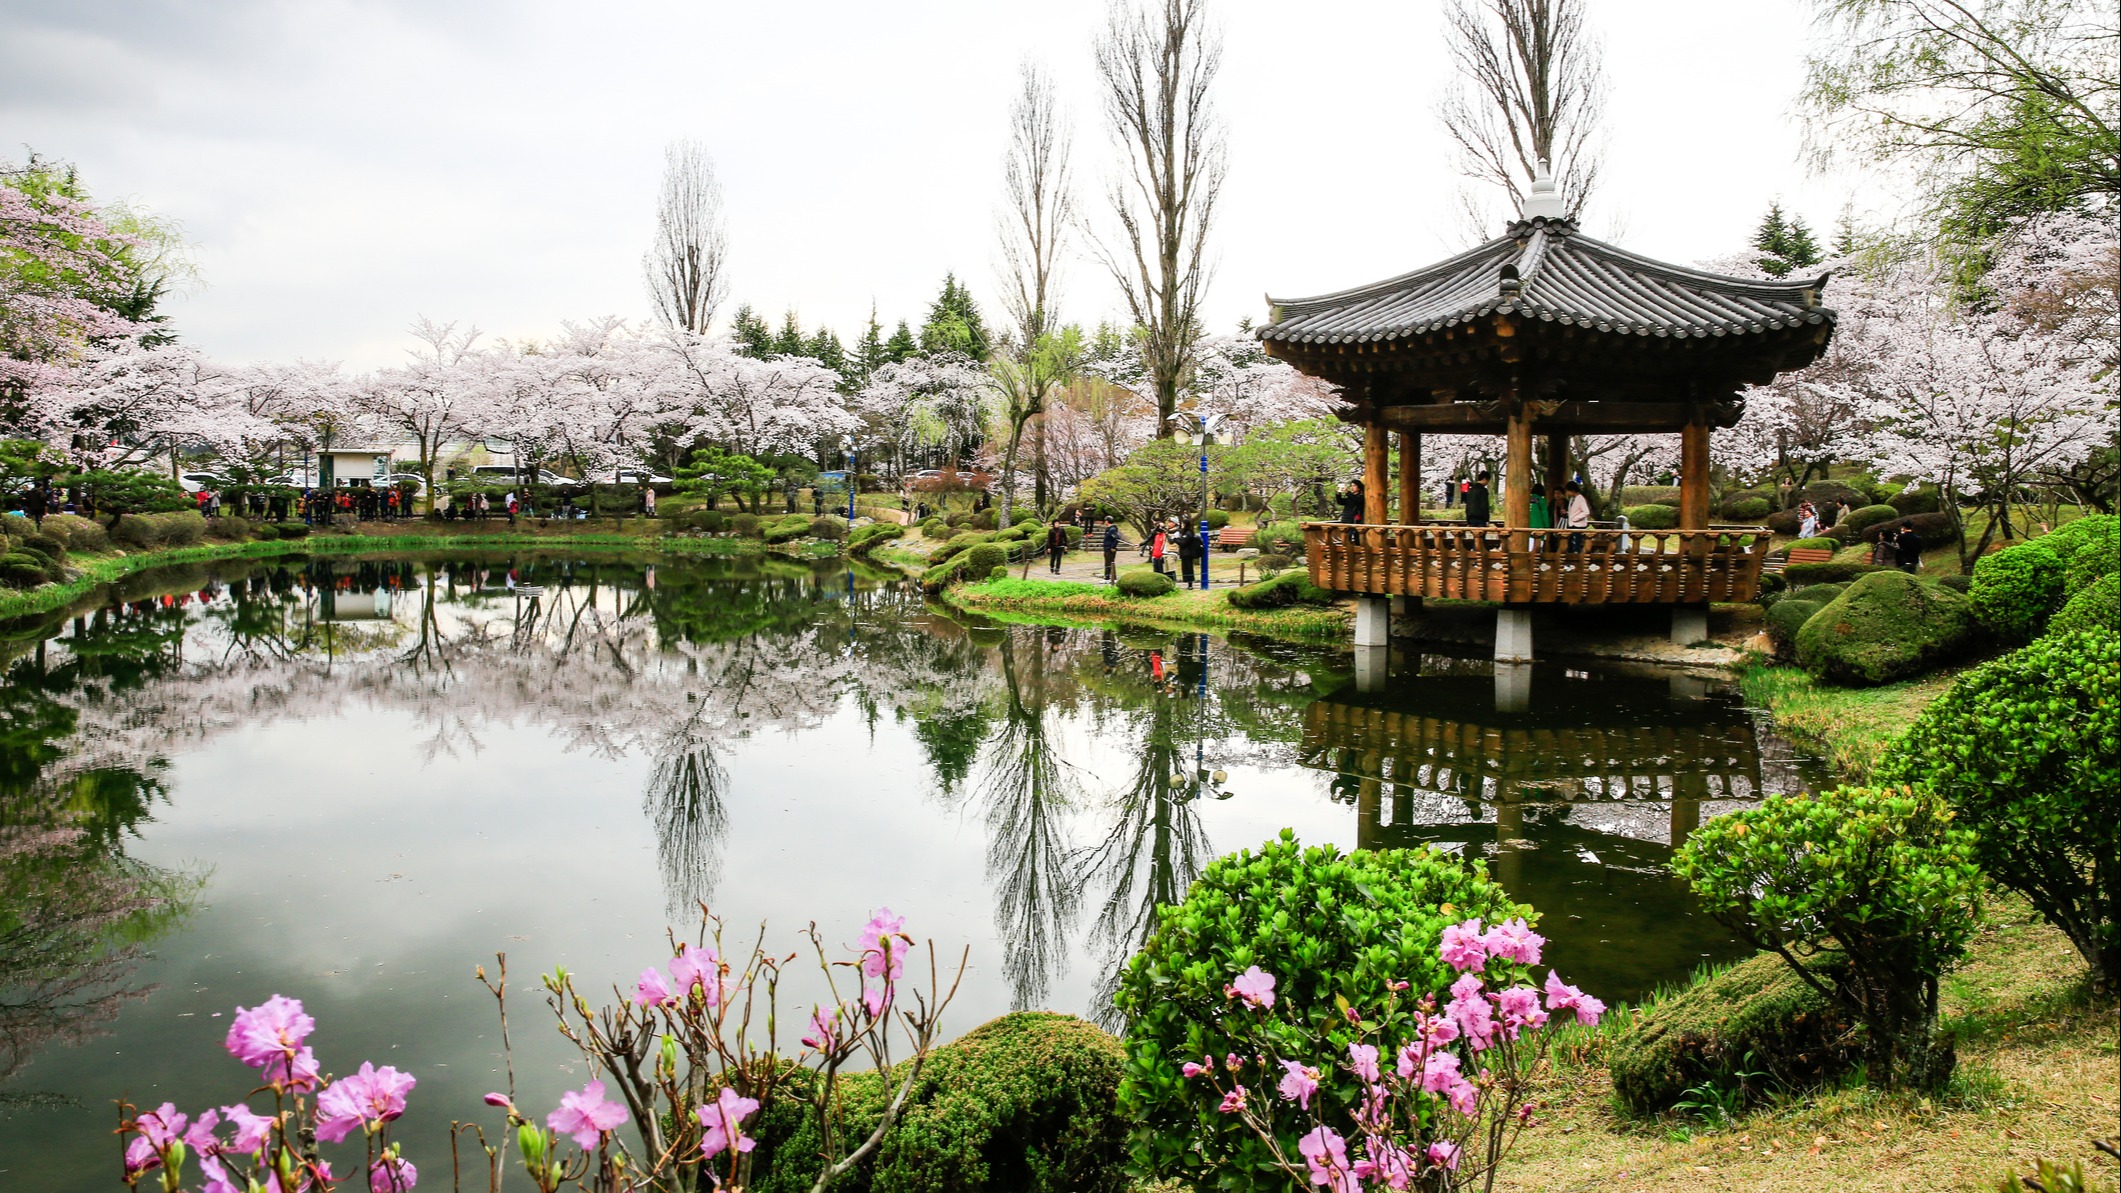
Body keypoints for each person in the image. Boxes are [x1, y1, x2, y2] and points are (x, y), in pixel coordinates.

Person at [1562, 480, 1591, 552]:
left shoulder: (1580, 499)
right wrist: (1567, 513)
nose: (1567, 493)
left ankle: (1576, 557)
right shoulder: (1572, 499)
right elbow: (1574, 511)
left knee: (1576, 546)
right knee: (1570, 545)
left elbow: (1586, 512)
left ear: (1572, 490)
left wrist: (1575, 518)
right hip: (1572, 525)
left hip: (1578, 525)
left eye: (1567, 491)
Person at [1177, 517, 1202, 585]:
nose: (1181, 525)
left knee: (1188, 568)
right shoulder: (1185, 532)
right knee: (1185, 569)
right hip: (1185, 553)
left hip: (1188, 553)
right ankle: (1188, 582)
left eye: (1182, 524)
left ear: (1185, 524)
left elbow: (1183, 543)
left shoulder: (1188, 533)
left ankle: (1190, 583)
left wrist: (1176, 539)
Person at [1100, 517, 1120, 583]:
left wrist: (1113, 547)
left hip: (1110, 549)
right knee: (1108, 563)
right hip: (1106, 548)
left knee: (1109, 563)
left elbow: (1117, 538)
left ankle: (1109, 578)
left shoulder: (1112, 529)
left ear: (1107, 521)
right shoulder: (1108, 529)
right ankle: (1108, 577)